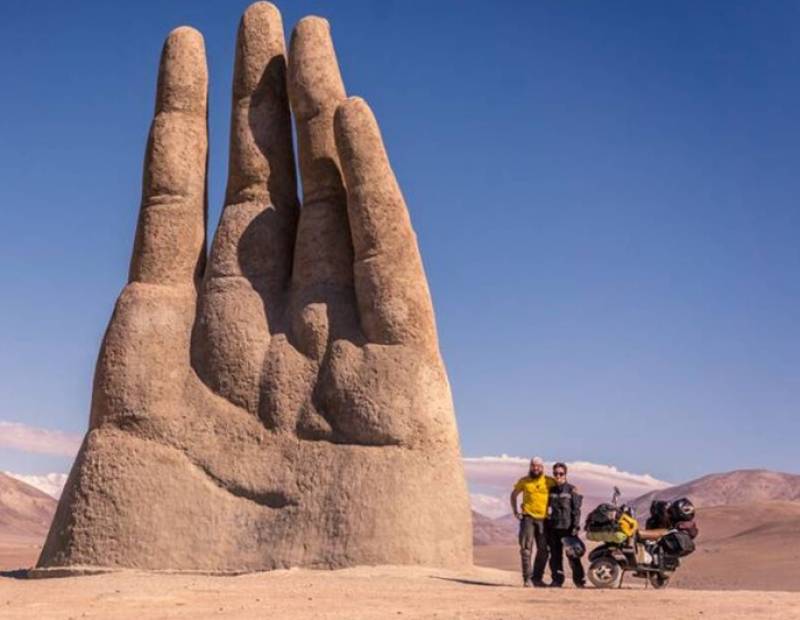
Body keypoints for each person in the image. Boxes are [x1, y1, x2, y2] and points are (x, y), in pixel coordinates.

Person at [510, 456, 555, 587]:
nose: (536, 468)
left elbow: (561, 488)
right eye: (533, 465)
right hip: (528, 518)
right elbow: (514, 494)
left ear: (542, 467)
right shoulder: (524, 481)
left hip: (544, 520)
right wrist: (515, 511)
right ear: (530, 467)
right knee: (526, 549)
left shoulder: (549, 481)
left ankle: (537, 578)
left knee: (544, 550)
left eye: (538, 466)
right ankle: (527, 579)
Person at [545, 462, 586, 588]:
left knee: (573, 556)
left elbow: (576, 510)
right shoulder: (551, 490)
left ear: (565, 474)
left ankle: (579, 581)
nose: (558, 476)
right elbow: (547, 508)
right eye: (556, 473)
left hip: (568, 528)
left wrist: (575, 526)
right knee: (555, 556)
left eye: (561, 473)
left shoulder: (571, 490)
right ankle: (557, 581)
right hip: (553, 528)